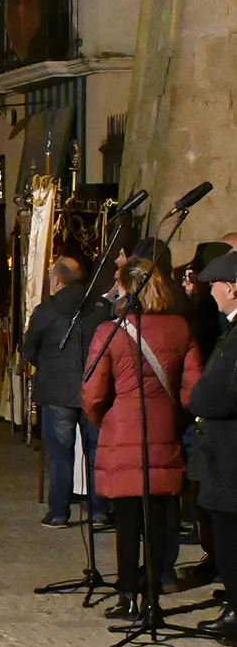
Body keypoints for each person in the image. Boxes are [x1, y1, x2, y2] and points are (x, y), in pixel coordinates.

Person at [82, 256, 205, 620]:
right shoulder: (180, 329)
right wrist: (177, 416)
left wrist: (104, 418)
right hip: (164, 431)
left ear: (127, 288)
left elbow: (92, 391)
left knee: (127, 521)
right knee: (160, 520)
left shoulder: (110, 332)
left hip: (121, 430)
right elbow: (193, 388)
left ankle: (127, 597)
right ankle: (153, 596)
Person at [22, 258, 110, 528]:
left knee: (60, 453)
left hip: (58, 391)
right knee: (96, 450)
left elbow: (29, 350)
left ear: (57, 279)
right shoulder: (100, 308)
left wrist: (50, 368)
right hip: (95, 388)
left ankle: (59, 512)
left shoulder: (45, 311)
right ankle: (99, 511)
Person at [184, 250, 237, 647]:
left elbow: (221, 392)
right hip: (224, 455)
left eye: (216, 284)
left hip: (231, 457)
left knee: (231, 541)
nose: (212, 291)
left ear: (232, 288)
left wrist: (199, 398)